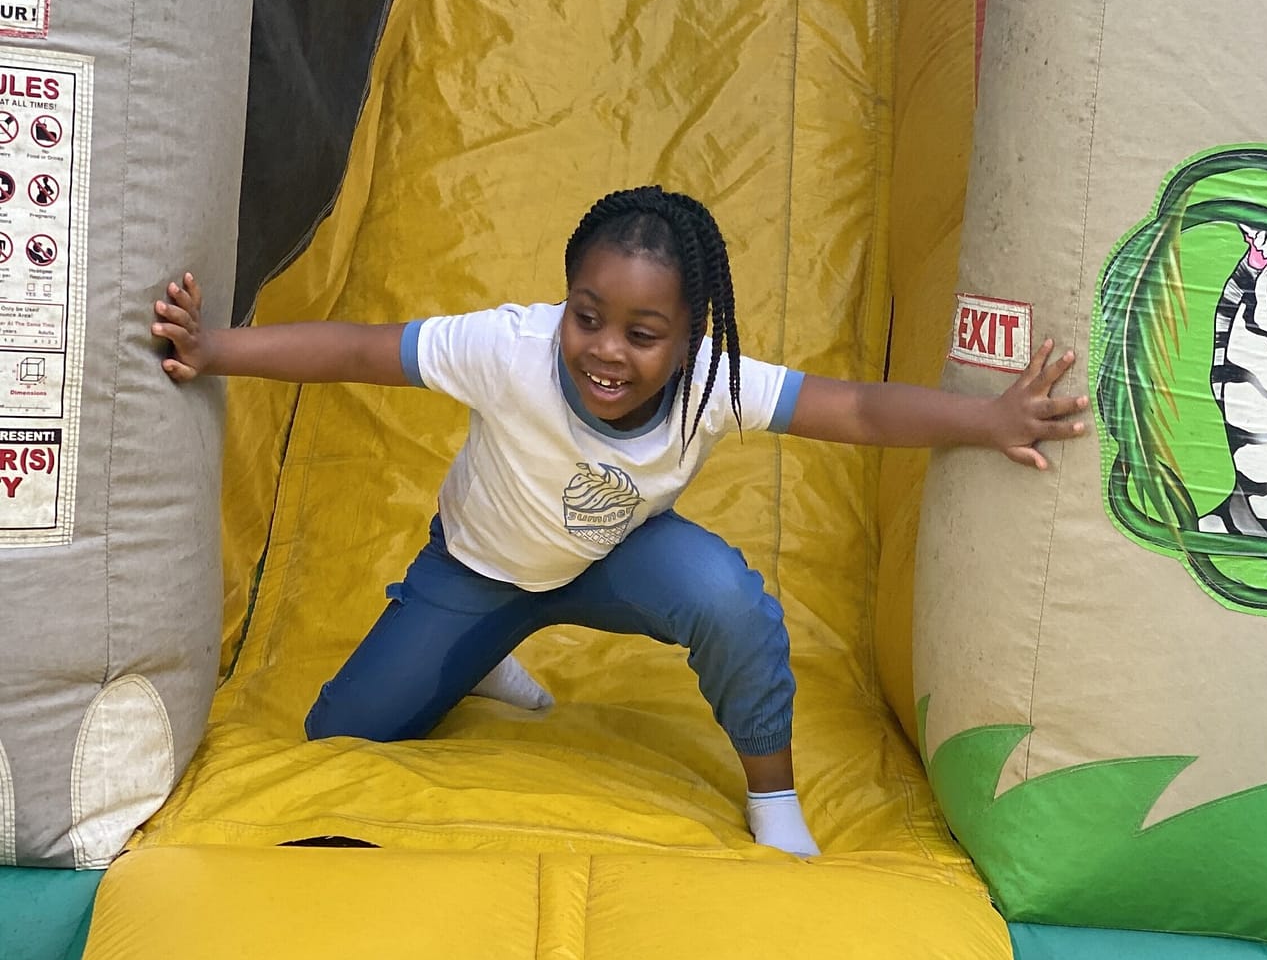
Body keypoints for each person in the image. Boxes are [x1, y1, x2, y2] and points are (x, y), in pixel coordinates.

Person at [151, 184, 1090, 856]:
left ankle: (772, 796)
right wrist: (214, 349)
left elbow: (855, 409)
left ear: (688, 339)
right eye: (587, 317)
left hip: (612, 557)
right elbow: (359, 351)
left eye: (642, 335)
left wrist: (987, 419)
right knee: (340, 736)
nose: (606, 351)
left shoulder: (713, 381)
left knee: (727, 597)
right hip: (480, 571)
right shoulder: (506, 347)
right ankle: (479, 653)